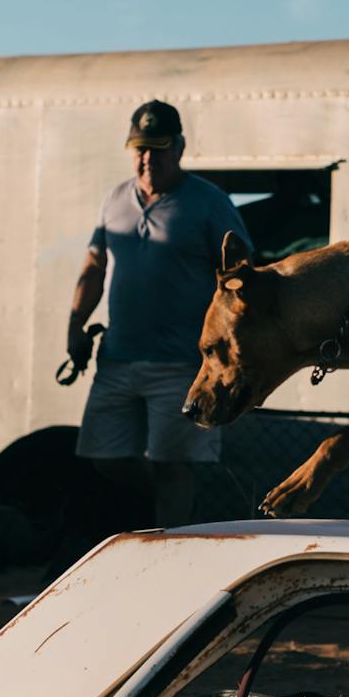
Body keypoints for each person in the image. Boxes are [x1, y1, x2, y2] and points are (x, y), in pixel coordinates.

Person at [66, 101, 252, 526]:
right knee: (103, 456)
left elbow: (240, 274)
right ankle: (166, 509)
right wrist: (74, 326)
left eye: (158, 149)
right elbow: (94, 267)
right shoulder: (115, 199)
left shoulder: (209, 202)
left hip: (182, 364)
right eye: (140, 149)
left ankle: (173, 544)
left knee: (173, 462)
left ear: (180, 148)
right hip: (117, 358)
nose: (147, 159)